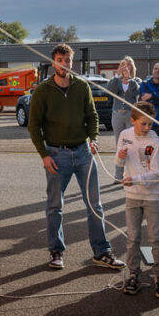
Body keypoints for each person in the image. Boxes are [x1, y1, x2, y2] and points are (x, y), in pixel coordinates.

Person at [28, 43, 125, 270]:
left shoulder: (82, 86)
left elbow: (92, 116)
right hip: (55, 154)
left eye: (68, 61)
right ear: (53, 63)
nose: (65, 64)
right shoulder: (43, 91)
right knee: (55, 206)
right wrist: (44, 155)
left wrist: (94, 138)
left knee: (95, 205)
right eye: (61, 60)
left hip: (83, 153)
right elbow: (34, 126)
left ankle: (101, 252)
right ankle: (56, 251)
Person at [115, 101, 159, 298]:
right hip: (132, 196)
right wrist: (120, 157)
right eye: (143, 124)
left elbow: (157, 173)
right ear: (132, 121)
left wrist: (136, 179)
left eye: (150, 124)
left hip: (153, 196)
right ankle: (133, 275)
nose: (147, 128)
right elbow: (119, 162)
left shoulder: (156, 142)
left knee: (156, 238)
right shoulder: (125, 135)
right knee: (132, 238)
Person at [107, 57, 143, 182]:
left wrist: (128, 78)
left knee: (131, 144)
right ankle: (118, 175)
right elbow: (110, 90)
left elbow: (136, 91)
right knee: (119, 144)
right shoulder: (115, 80)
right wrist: (118, 76)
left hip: (130, 115)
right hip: (117, 115)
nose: (125, 67)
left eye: (128, 65)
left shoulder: (136, 80)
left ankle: (131, 174)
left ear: (132, 67)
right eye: (123, 65)